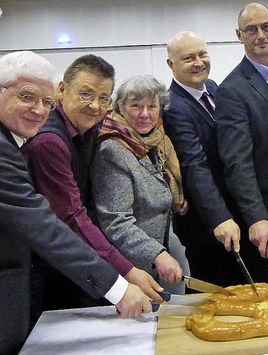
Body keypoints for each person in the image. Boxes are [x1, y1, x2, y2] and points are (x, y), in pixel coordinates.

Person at [0, 51, 150, 354]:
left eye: (47, 103)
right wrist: (117, 287)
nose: (39, 110)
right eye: (27, 97)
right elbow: (46, 228)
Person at [23, 55, 163, 323]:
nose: (94, 105)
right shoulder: (49, 142)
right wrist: (127, 271)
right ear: (61, 90)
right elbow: (72, 217)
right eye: (85, 94)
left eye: (103, 98)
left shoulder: (90, 127)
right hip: (50, 269)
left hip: (80, 261)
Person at [215, 2, 268, 282]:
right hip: (265, 216)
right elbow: (236, 162)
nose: (260, 35)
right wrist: (255, 217)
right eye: (251, 29)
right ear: (239, 35)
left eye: (266, 27)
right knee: (267, 295)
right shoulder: (232, 90)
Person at [91, 75, 189, 294]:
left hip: (160, 255)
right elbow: (116, 222)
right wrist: (157, 254)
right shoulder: (113, 150)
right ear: (120, 108)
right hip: (133, 268)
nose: (145, 114)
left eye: (152, 106)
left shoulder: (156, 140)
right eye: (136, 106)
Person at [163, 31, 245, 286]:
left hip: (232, 213)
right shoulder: (173, 107)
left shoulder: (212, 87)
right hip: (206, 224)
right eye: (188, 58)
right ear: (171, 65)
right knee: (211, 296)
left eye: (202, 54)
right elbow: (194, 165)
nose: (198, 62)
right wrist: (220, 216)